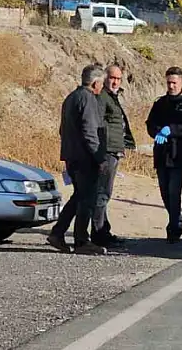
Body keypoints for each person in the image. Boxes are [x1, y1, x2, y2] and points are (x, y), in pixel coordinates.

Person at [48, 64, 108, 255]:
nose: (103, 87)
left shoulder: (71, 97)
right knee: (86, 199)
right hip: (84, 158)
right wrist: (99, 157)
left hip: (72, 156)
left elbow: (62, 130)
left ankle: (58, 233)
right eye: (102, 83)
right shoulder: (88, 99)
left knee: (79, 196)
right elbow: (90, 131)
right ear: (96, 82)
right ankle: (81, 241)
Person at [145, 66, 182, 243]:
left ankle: (173, 226)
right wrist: (158, 131)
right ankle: (178, 221)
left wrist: (172, 130)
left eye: (174, 82)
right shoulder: (160, 103)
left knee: (174, 191)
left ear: (181, 82)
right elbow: (150, 124)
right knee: (164, 192)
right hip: (162, 154)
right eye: (169, 82)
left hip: (179, 154)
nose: (171, 86)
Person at [93, 63, 136, 247]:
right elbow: (98, 124)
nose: (115, 82)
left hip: (114, 150)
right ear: (105, 78)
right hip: (107, 151)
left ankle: (104, 230)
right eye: (112, 78)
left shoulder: (112, 97)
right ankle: (98, 234)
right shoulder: (102, 97)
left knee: (105, 193)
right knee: (102, 193)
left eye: (118, 79)